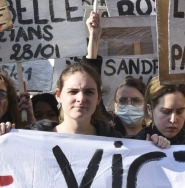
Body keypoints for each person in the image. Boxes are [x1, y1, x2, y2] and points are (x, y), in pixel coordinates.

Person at [30, 63, 169, 148]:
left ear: (98, 98)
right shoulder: (32, 138)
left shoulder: (118, 141)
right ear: (58, 96)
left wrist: (156, 144)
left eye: (89, 92)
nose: (81, 98)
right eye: (73, 92)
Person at [134, 77, 185, 145]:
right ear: (150, 110)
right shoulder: (136, 144)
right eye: (166, 111)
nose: (173, 120)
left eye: (180, 112)